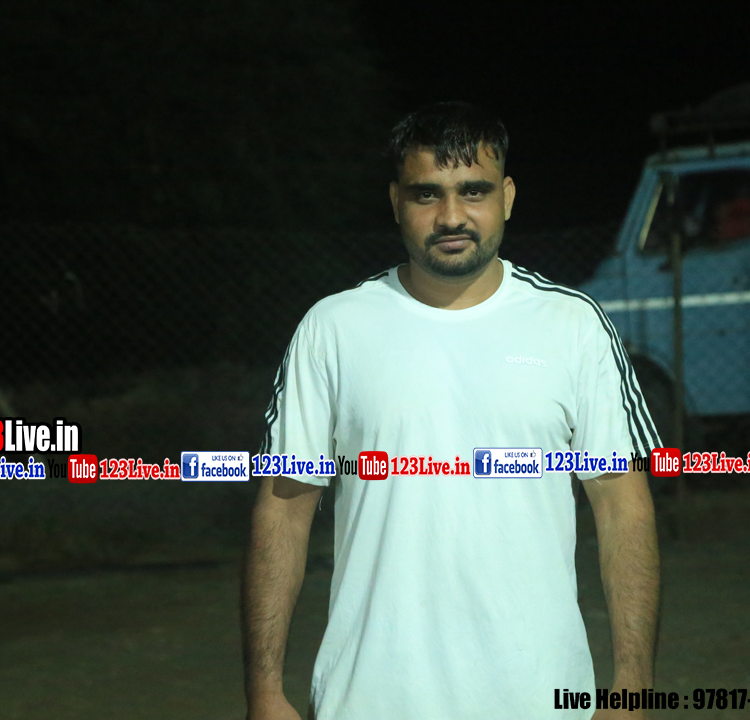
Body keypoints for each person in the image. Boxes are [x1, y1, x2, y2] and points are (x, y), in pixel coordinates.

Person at [242, 101, 661, 720]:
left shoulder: (573, 325)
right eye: (426, 194)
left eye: (474, 191)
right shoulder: (333, 329)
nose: (451, 216)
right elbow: (284, 509)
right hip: (370, 702)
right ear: (395, 201)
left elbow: (622, 506)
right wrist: (264, 691)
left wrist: (633, 687)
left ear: (507, 196)